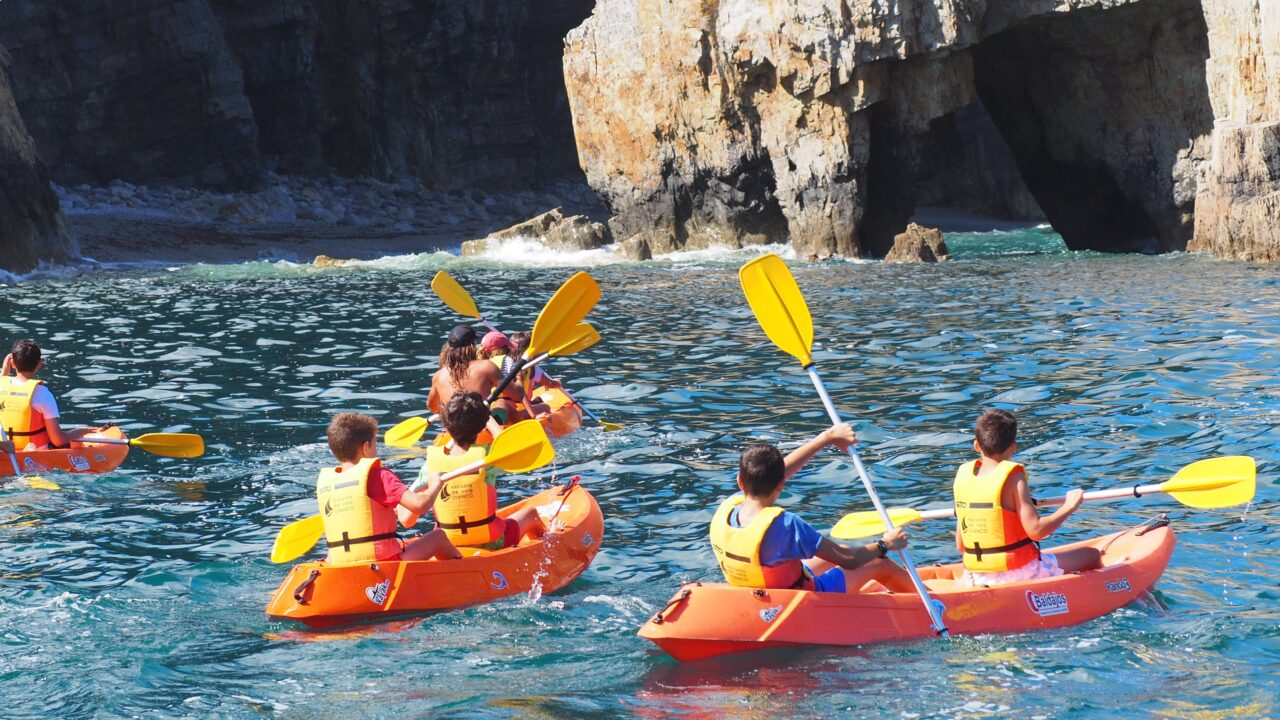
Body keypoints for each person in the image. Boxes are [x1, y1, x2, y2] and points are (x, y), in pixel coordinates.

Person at [710, 424, 915, 593]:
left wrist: (826, 438)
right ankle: (930, 602)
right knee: (878, 561)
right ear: (781, 485)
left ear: (740, 481)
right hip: (805, 595)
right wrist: (886, 544)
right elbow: (849, 561)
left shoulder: (729, 507)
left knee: (838, 550)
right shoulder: (787, 526)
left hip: (760, 586)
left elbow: (771, 475)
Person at [953, 409, 1102, 587]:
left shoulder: (964, 478)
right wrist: (1068, 507)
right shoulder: (1013, 477)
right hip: (1020, 572)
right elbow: (1036, 530)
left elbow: (960, 545)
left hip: (976, 576)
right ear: (1013, 447)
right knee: (1092, 555)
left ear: (976, 445)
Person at [318, 412, 461, 563]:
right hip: (385, 563)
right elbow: (420, 505)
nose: (376, 451)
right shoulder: (378, 476)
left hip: (341, 563)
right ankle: (467, 572)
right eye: (375, 444)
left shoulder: (329, 483)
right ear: (366, 447)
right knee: (438, 537)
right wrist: (435, 484)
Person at [419, 391, 547, 549]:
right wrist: (491, 423)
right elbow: (514, 452)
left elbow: (408, 517)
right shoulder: (488, 457)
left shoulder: (431, 463)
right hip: (491, 542)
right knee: (531, 514)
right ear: (481, 427)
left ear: (446, 425)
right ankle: (548, 544)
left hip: (448, 543)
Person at [0, 339, 105, 451]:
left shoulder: (1, 386)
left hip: (6, 452)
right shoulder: (42, 393)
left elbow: (4, 384)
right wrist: (81, 431)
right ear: (39, 363)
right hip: (34, 453)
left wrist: (4, 373)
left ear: (12, 363)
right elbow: (57, 440)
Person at [427, 324, 531, 430]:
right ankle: (523, 432)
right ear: (472, 346)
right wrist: (519, 377)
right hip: (481, 426)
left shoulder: (438, 376)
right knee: (503, 403)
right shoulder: (486, 366)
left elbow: (433, 407)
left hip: (455, 429)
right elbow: (518, 395)